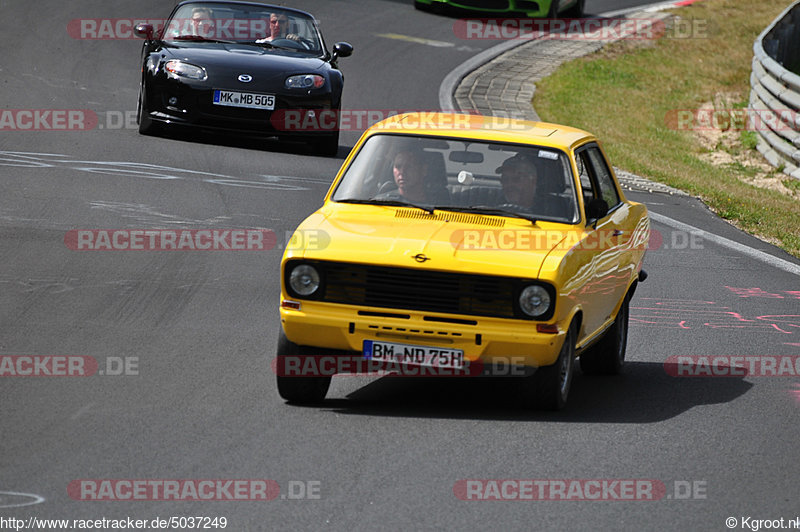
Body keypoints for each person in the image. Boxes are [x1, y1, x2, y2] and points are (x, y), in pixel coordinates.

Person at [376, 149, 449, 204]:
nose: (402, 172)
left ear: (423, 170)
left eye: (409, 167)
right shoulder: (381, 204)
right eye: (398, 167)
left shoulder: (443, 205)